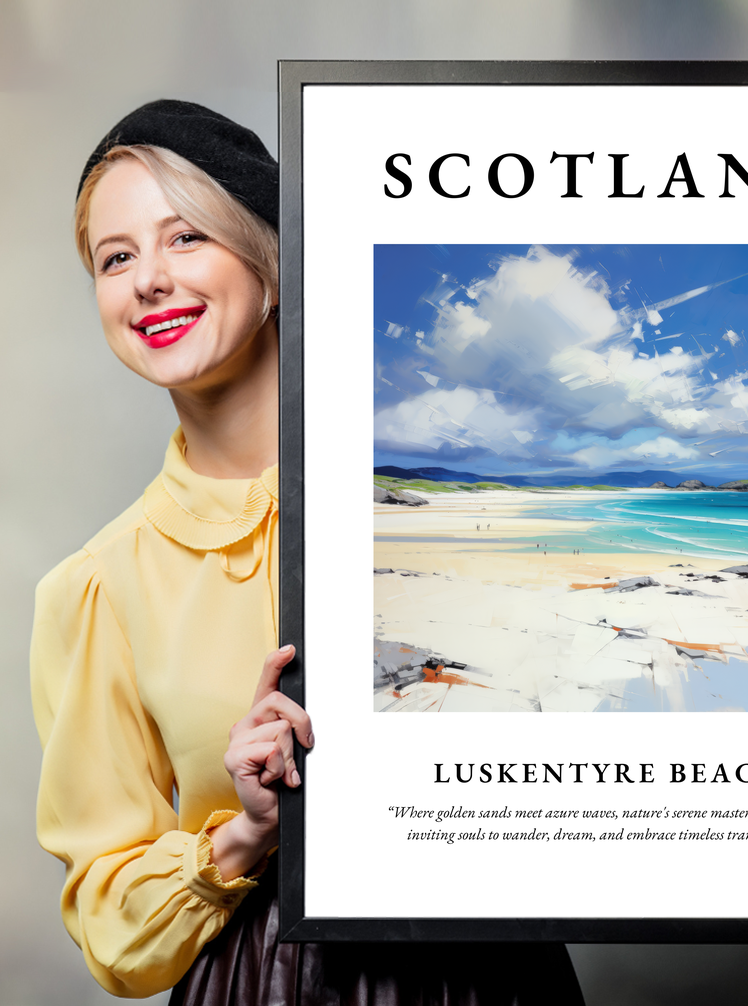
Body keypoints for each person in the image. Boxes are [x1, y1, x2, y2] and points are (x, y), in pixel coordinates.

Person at [30, 100, 585, 1004]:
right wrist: (245, 832)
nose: (148, 281)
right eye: (116, 257)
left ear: (273, 264)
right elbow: (110, 924)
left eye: (186, 239)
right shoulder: (97, 586)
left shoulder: (446, 521)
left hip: (493, 973)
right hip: (263, 981)